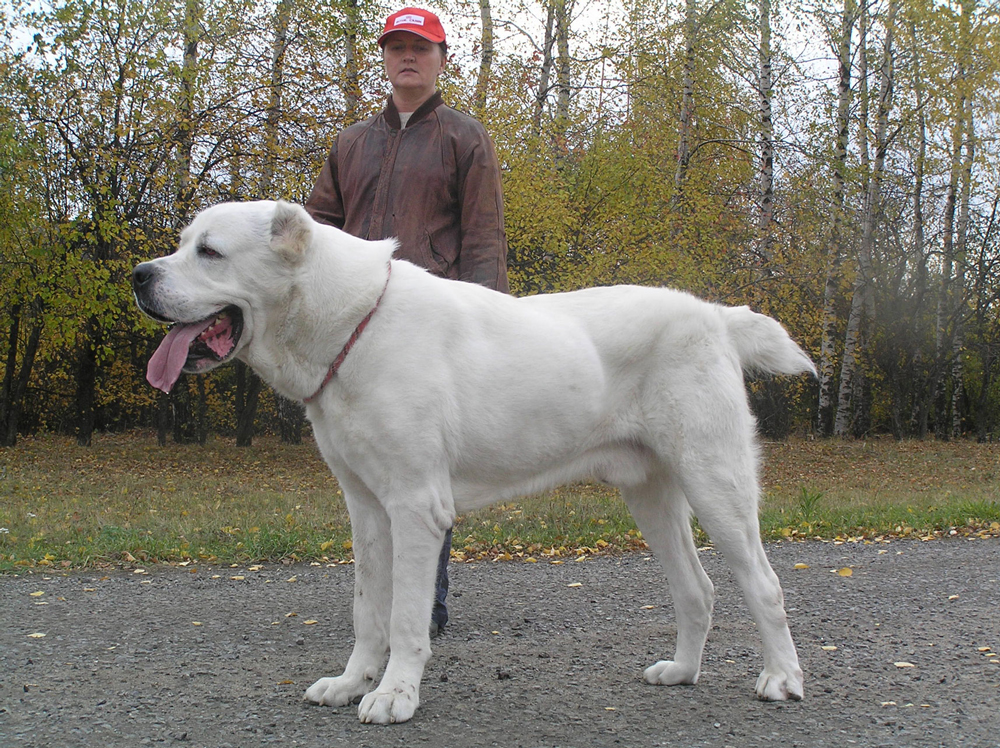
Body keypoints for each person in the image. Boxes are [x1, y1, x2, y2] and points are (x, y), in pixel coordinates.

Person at [305, 6, 509, 638]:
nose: (407, 56)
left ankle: (424, 607)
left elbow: (483, 237)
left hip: (432, 331)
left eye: (420, 47)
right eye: (396, 47)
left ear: (443, 58)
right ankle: (388, 607)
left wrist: (489, 326)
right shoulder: (350, 144)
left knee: (418, 466)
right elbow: (314, 234)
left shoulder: (463, 137)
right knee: (372, 466)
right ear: (385, 59)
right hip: (356, 332)